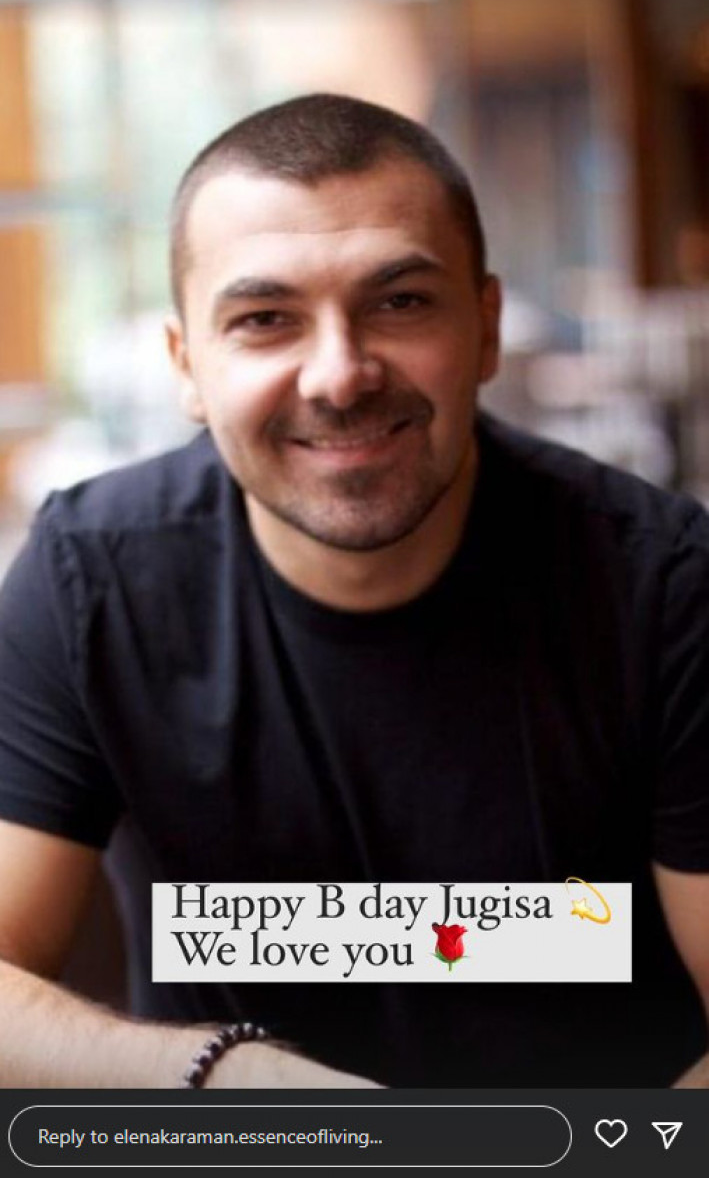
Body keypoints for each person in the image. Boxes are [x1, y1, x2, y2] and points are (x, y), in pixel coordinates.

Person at [0, 93, 708, 1090]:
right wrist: (240, 1083)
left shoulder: (661, 584)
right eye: (264, 320)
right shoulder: (92, 580)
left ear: (486, 327)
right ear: (187, 366)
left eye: (400, 302)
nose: (338, 376)